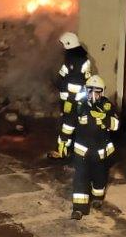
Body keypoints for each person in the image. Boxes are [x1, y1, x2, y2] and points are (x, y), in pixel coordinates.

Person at [70, 75, 119, 219]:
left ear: (102, 92)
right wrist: (64, 141)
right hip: (83, 151)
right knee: (81, 178)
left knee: (100, 177)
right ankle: (79, 209)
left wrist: (104, 118)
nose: (93, 94)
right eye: (90, 91)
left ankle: (97, 197)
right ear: (86, 90)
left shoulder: (107, 106)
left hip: (99, 152)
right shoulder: (80, 105)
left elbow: (116, 125)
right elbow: (69, 123)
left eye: (97, 91)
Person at [50, 32, 93, 159]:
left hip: (70, 100)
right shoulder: (85, 60)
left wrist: (56, 83)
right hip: (80, 99)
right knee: (79, 124)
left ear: (68, 44)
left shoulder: (70, 61)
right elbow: (87, 77)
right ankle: (80, 151)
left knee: (67, 125)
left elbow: (61, 77)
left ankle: (62, 151)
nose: (63, 48)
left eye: (64, 45)